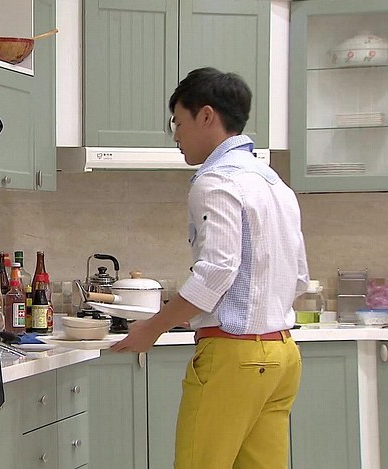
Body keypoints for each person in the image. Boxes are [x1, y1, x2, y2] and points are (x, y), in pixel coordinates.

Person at [110, 67, 309, 469]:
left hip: (234, 359)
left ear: (205, 116)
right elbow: (299, 277)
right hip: (283, 356)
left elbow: (216, 272)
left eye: (177, 122)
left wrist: (153, 327)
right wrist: (202, 310)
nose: (176, 135)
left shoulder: (216, 181)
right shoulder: (275, 184)